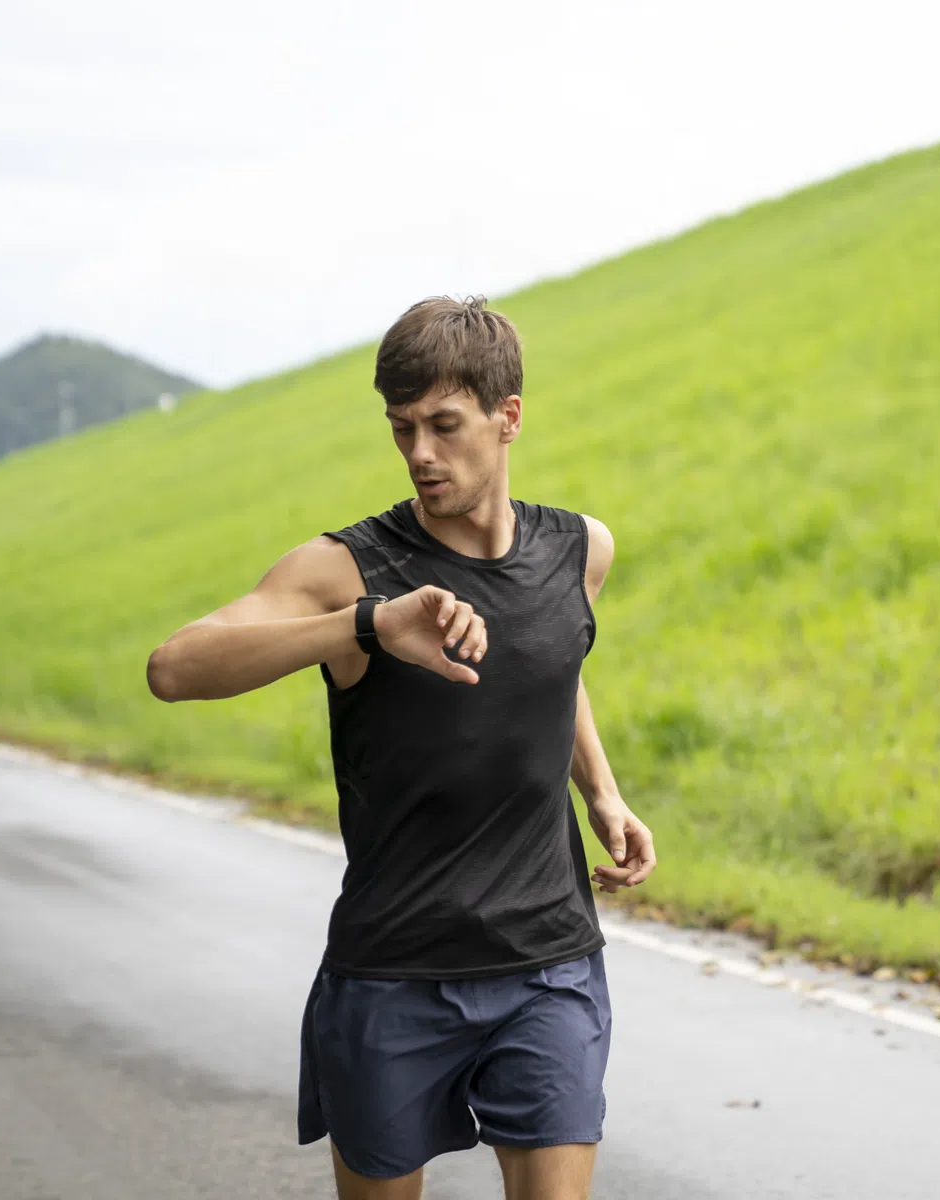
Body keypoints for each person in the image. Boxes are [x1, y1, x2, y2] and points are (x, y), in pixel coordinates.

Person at [145, 295, 655, 1200]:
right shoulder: (350, 570)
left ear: (509, 419)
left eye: (444, 425)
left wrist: (601, 791)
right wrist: (366, 627)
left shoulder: (579, 550)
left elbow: (554, 661)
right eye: (402, 427)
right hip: (393, 975)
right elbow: (175, 669)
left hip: (549, 963)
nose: (421, 452)